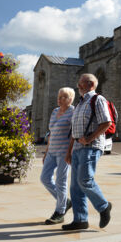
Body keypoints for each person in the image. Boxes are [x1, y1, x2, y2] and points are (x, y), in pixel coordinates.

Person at [62, 73, 112, 231]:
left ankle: (104, 207)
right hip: (77, 148)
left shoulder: (97, 99)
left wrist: (90, 138)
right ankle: (80, 220)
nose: (78, 86)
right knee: (75, 187)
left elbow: (106, 122)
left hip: (91, 147)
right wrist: (69, 152)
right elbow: (74, 132)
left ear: (90, 84)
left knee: (85, 180)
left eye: (80, 83)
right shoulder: (79, 104)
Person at [40, 87, 75, 224]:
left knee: (61, 182)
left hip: (63, 152)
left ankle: (60, 212)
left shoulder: (73, 112)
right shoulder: (55, 111)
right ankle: (65, 201)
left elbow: (73, 135)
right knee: (44, 178)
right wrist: (46, 151)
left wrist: (69, 153)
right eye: (59, 96)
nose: (59, 99)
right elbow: (51, 133)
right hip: (52, 151)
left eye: (63, 97)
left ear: (71, 99)